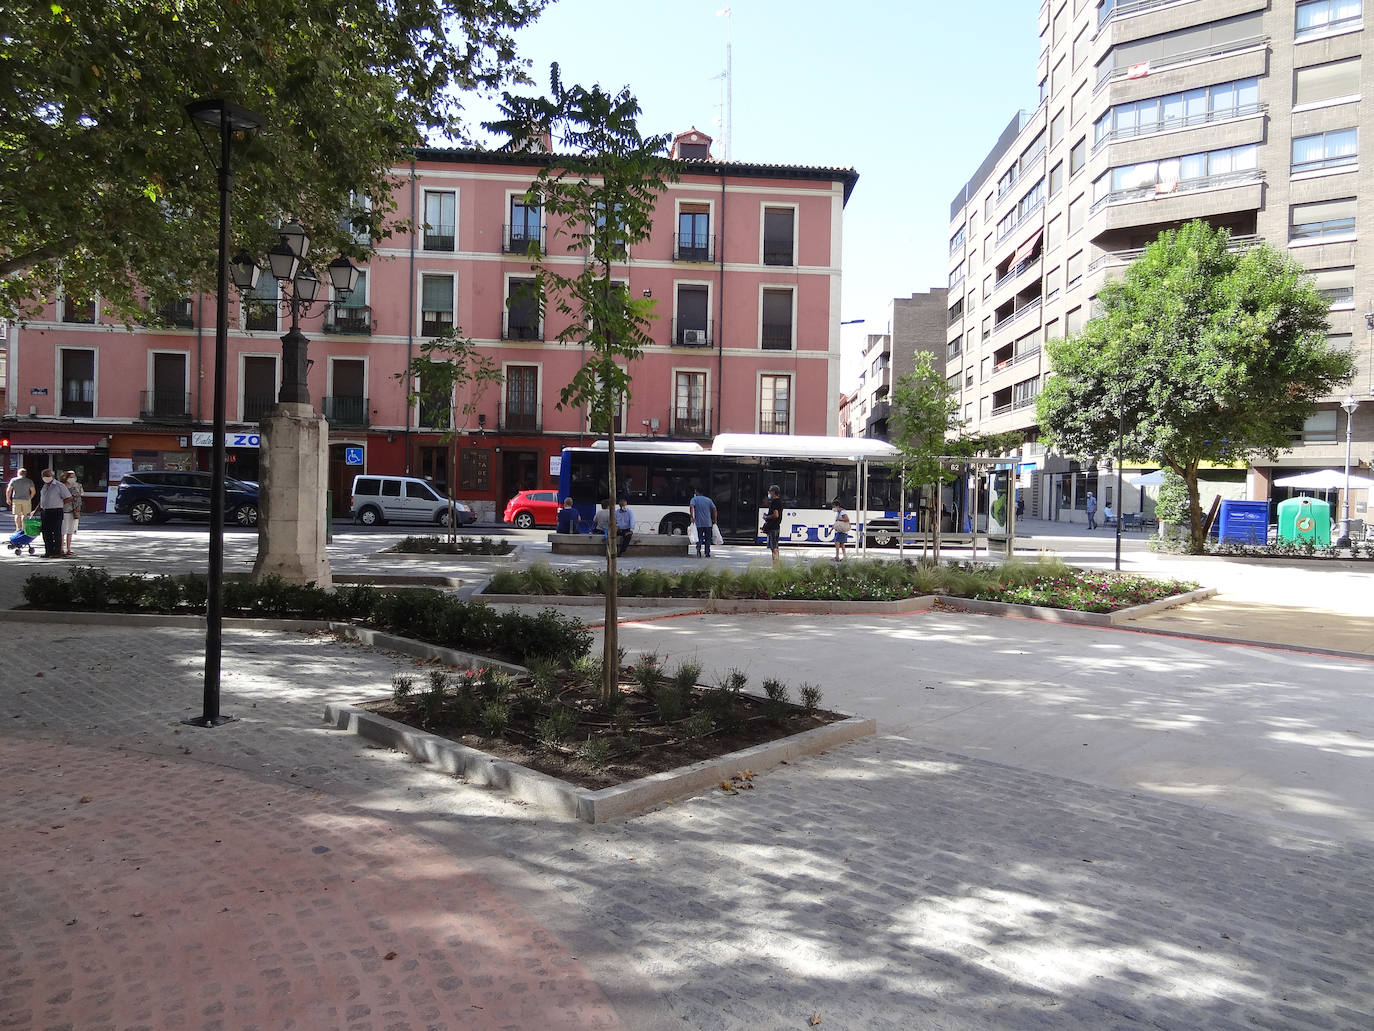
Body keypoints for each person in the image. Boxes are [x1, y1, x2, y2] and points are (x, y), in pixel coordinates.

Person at [36, 468, 72, 558]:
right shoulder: (44, 486)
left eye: (48, 476)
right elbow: (43, 499)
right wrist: (37, 509)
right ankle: (49, 551)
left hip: (56, 511)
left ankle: (57, 552)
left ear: (52, 476)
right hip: (45, 511)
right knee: (46, 532)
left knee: (56, 532)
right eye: (44, 476)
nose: (46, 478)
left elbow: (69, 497)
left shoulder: (59, 485)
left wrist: (59, 503)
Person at [688, 486, 717, 558]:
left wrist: (691, 516)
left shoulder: (694, 499)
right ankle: (707, 553)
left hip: (699, 523)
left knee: (699, 537)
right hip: (708, 523)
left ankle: (698, 548)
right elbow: (714, 509)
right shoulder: (708, 500)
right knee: (708, 538)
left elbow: (691, 506)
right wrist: (715, 519)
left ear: (697, 492)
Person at [60, 470, 84, 555]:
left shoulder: (75, 487)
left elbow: (78, 499)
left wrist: (78, 510)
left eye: (73, 477)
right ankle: (61, 549)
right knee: (62, 531)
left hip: (72, 512)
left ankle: (68, 549)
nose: (72, 479)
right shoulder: (61, 487)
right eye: (70, 477)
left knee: (70, 531)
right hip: (62, 511)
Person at [6, 467, 35, 532]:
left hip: (16, 499)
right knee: (25, 515)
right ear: (25, 474)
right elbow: (33, 491)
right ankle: (24, 529)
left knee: (17, 515)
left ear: (18, 473)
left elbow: (9, 490)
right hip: (26, 499)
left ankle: (18, 529)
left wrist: (8, 498)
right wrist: (30, 497)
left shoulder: (13, 480)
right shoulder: (29, 481)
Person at [762, 484, 784, 566]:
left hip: (773, 527)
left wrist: (766, 517)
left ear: (774, 492)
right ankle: (776, 564)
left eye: (770, 491)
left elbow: (776, 514)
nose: (769, 493)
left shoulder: (774, 502)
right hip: (777, 526)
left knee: (773, 547)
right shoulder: (780, 501)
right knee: (776, 546)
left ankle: (775, 565)